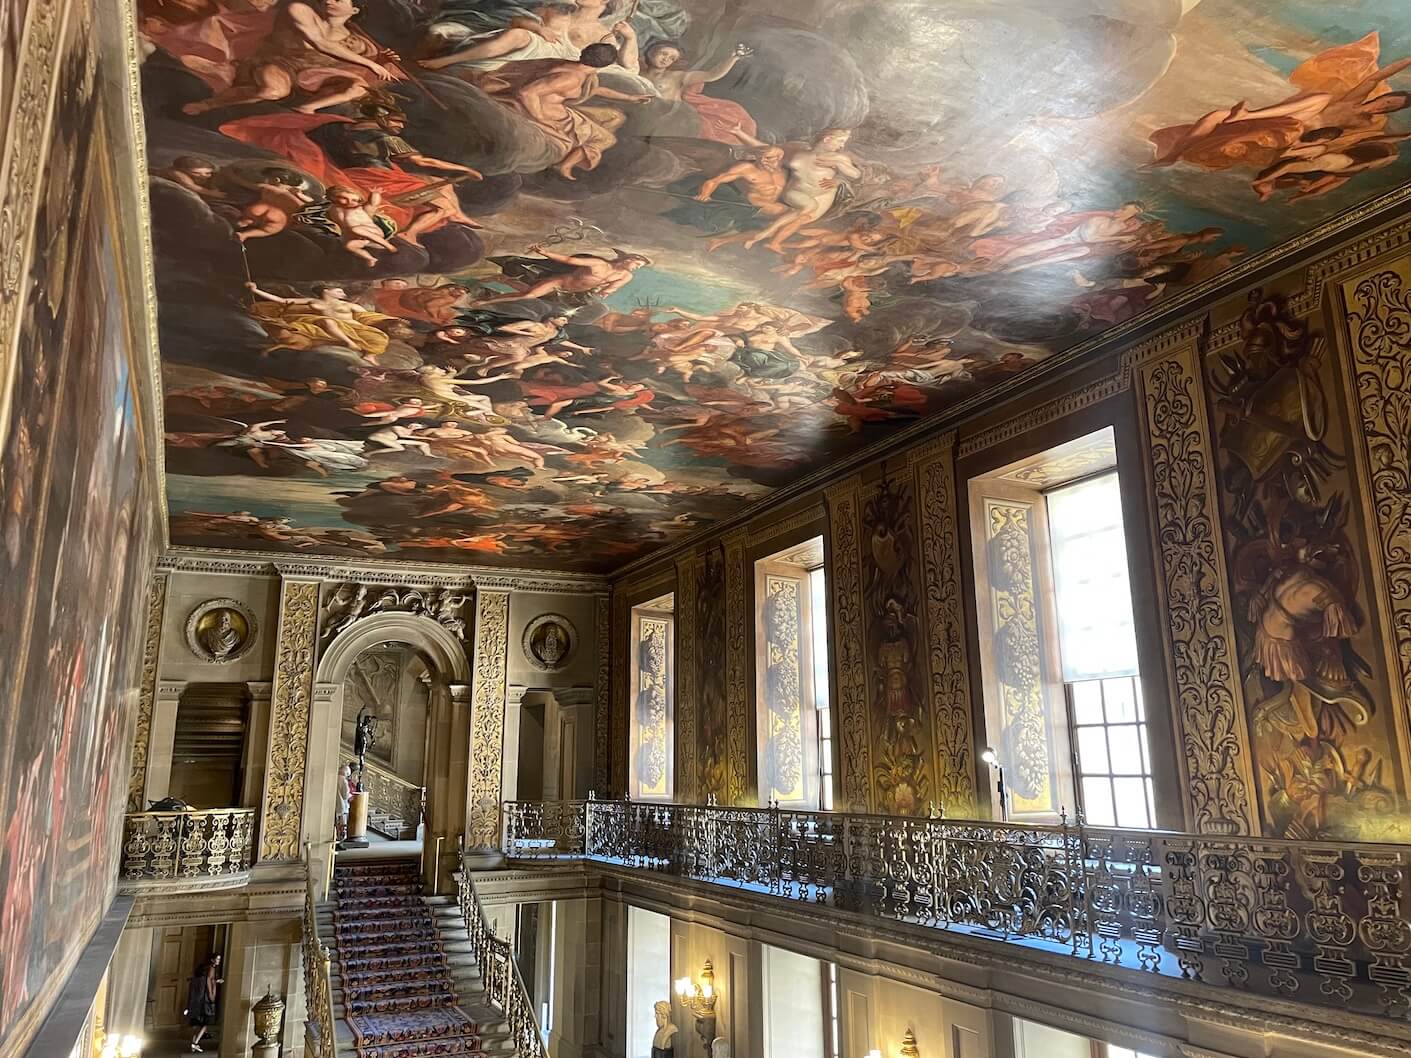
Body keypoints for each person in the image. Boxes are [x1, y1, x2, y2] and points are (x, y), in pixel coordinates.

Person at [184, 954, 222, 1052]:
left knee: (197, 1023)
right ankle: (195, 1042)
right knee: (205, 1023)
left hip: (199, 1000)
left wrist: (216, 981)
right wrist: (211, 996)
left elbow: (210, 980)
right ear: (212, 959)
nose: (218, 961)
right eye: (217, 959)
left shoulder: (202, 974)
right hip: (205, 1001)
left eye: (219, 959)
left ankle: (193, 1043)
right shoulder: (211, 969)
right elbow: (209, 981)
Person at [336, 762, 353, 840]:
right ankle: (341, 839)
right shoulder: (343, 780)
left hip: (333, 804)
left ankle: (335, 838)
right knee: (342, 825)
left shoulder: (334, 777)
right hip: (342, 805)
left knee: (335, 824)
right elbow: (345, 795)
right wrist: (350, 795)